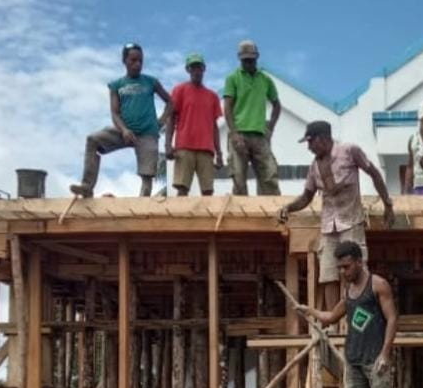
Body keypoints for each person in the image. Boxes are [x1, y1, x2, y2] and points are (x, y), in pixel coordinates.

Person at [299, 241, 399, 388]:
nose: (343, 272)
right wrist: (309, 311)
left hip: (376, 358)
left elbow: (392, 319)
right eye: (340, 268)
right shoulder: (348, 292)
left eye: (346, 267)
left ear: (358, 261)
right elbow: (331, 317)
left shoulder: (378, 285)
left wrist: (385, 353)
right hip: (353, 358)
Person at [279, 121, 395, 309]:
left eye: (311, 142)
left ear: (323, 139)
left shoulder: (349, 151)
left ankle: (357, 318)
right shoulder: (314, 166)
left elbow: (374, 174)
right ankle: (333, 322)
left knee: (357, 272)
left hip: (351, 221)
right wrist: (288, 208)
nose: (308, 147)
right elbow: (306, 196)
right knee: (328, 274)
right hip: (328, 226)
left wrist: (388, 204)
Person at [72, 44, 171, 199]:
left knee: (147, 175)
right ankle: (87, 186)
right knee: (93, 140)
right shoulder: (117, 85)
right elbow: (115, 112)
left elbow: (170, 102)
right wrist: (124, 130)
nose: (137, 64)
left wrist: (162, 121)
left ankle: (142, 203)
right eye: (133, 60)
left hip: (147, 133)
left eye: (140, 61)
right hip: (124, 131)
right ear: (124, 61)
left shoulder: (151, 82)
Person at [223, 41, 282, 196]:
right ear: (239, 59)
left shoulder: (265, 80)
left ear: (257, 58)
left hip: (260, 135)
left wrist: (271, 128)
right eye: (245, 60)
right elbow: (227, 107)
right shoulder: (232, 78)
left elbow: (277, 105)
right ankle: (241, 218)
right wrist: (234, 133)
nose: (249, 63)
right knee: (239, 178)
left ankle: (273, 214)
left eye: (251, 59)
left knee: (269, 176)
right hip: (239, 133)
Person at [166, 54, 224, 197]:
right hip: (184, 146)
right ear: (188, 70)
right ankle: (179, 218)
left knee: (208, 191)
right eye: (193, 68)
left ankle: (207, 220)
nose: (196, 71)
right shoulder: (179, 90)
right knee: (182, 188)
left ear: (204, 69)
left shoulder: (212, 96)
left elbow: (214, 126)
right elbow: (171, 119)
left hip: (206, 149)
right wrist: (168, 144)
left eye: (199, 67)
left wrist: (219, 153)